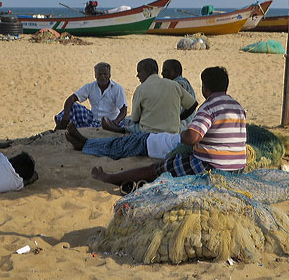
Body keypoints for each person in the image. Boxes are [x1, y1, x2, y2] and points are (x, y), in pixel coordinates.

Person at [91, 66, 246, 188]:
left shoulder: (209, 106)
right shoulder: (236, 106)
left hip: (210, 166)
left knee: (156, 169)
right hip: (237, 167)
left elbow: (192, 138)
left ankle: (110, 178)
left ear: (205, 88)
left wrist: (183, 135)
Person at [101, 58, 196, 134]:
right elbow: (193, 104)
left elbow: (135, 119)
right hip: (173, 129)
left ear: (148, 71)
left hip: (154, 130)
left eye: (139, 72)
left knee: (130, 123)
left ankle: (119, 130)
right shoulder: (173, 84)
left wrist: (179, 118)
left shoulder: (141, 89)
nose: (137, 75)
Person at [54, 62, 127, 130]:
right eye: (100, 74)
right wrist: (66, 115)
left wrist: (115, 122)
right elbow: (71, 98)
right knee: (73, 106)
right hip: (93, 119)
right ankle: (57, 132)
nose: (102, 77)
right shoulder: (90, 87)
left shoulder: (117, 88)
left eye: (105, 74)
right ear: (95, 75)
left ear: (109, 75)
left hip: (110, 121)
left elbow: (123, 110)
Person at [65, 123, 181, 160]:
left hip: (151, 144)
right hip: (153, 138)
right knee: (119, 141)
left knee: (117, 147)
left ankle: (84, 144)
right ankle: (86, 142)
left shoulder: (192, 140)